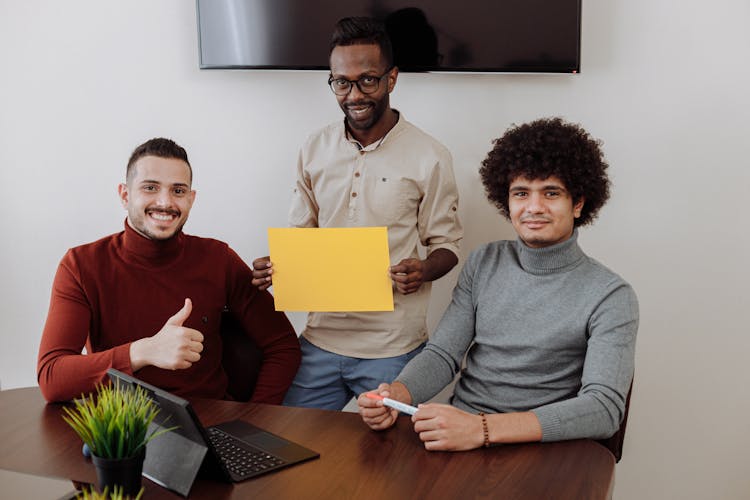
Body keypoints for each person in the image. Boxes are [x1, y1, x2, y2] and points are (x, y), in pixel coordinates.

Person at [358, 117, 639, 451]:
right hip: (459, 436)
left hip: (542, 450)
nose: (534, 207)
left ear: (578, 203)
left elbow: (603, 409)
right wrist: (395, 395)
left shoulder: (611, 296)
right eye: (521, 193)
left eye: (551, 193)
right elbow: (444, 354)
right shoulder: (483, 262)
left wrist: (482, 429)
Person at [252, 17, 462, 410]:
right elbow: (302, 236)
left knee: (395, 464)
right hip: (320, 339)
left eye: (367, 80)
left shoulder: (430, 155)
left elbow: (446, 245)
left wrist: (423, 268)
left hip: (394, 347)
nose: (354, 95)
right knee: (290, 443)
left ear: (392, 79)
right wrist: (276, 265)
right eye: (341, 82)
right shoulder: (314, 147)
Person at [37, 138, 301, 403]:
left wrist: (254, 422)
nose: (165, 202)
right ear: (125, 195)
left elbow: (282, 346)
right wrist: (143, 351)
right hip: (122, 432)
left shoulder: (219, 259)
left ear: (191, 198)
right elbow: (52, 377)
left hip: (209, 426)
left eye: (178, 191)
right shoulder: (80, 265)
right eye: (150, 188)